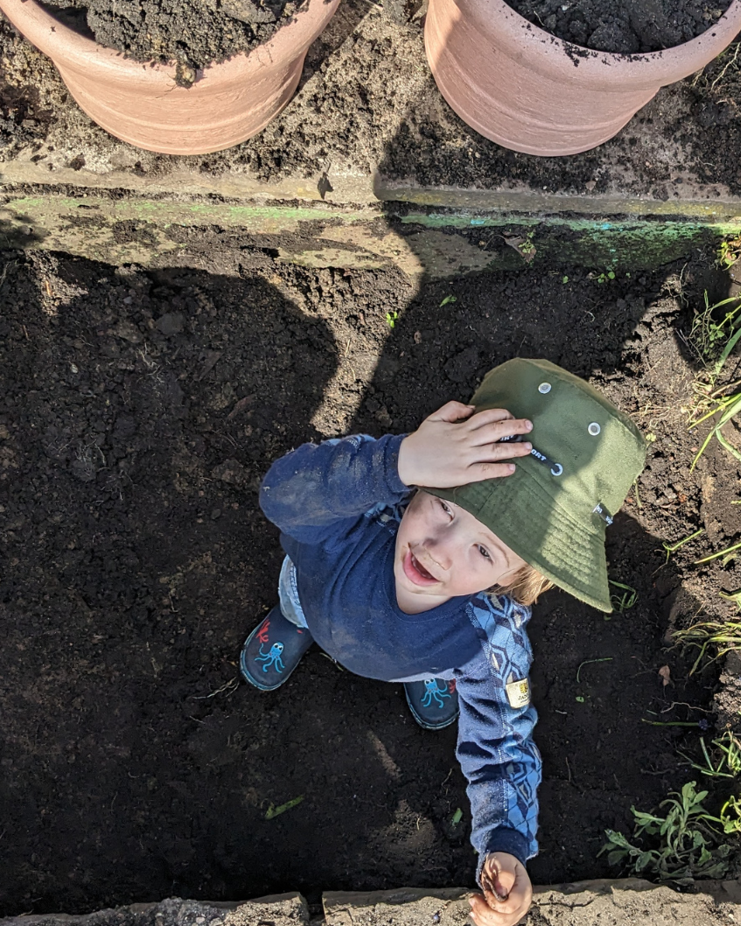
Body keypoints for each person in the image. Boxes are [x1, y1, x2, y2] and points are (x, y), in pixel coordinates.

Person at [239, 358, 647, 926]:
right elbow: (282, 495)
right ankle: (297, 623)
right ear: (428, 474)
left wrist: (506, 841)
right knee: (298, 599)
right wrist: (397, 460)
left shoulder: (487, 637)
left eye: (484, 550)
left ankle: (430, 673)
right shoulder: (362, 503)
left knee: (429, 662)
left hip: (418, 657)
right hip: (313, 593)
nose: (439, 549)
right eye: (446, 504)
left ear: (517, 579)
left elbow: (503, 743)